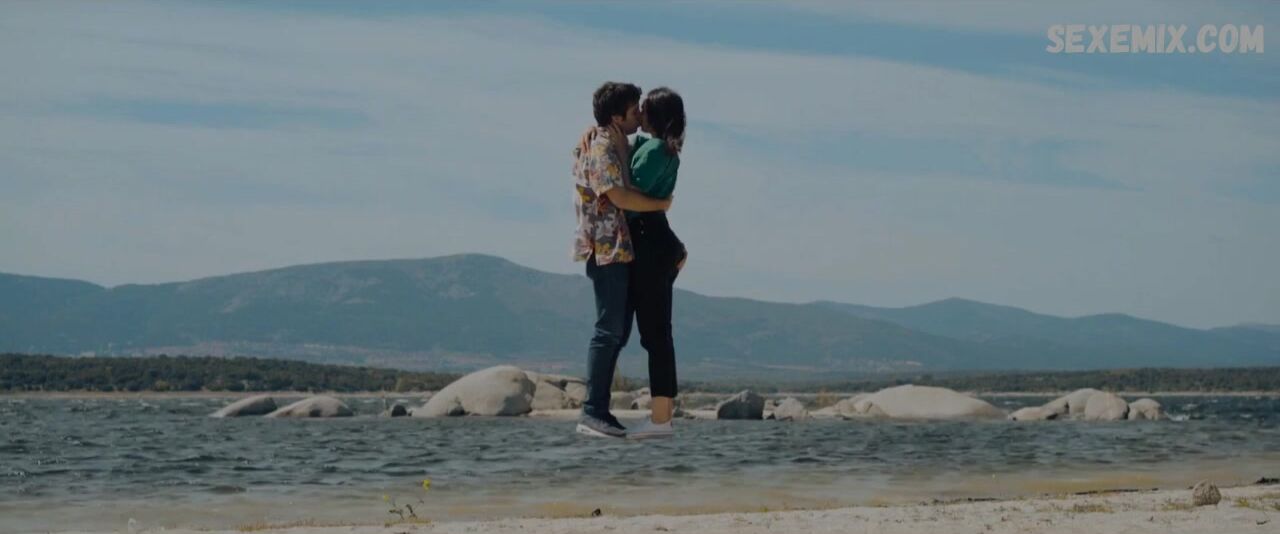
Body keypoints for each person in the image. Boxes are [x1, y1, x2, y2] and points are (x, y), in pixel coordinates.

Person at [571, 81, 671, 439]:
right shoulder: (601, 148)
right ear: (616, 117)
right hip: (606, 249)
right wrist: (660, 204)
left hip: (618, 249)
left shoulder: (612, 144)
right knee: (608, 330)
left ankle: (600, 411)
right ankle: (592, 411)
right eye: (633, 110)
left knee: (617, 331)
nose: (639, 115)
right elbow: (619, 196)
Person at [620, 87, 687, 440]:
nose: (640, 112)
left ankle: (661, 420)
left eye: (644, 108)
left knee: (656, 334)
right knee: (657, 333)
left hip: (650, 243)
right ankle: (662, 419)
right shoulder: (661, 149)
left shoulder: (658, 150)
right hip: (656, 242)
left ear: (655, 115)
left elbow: (629, 195)